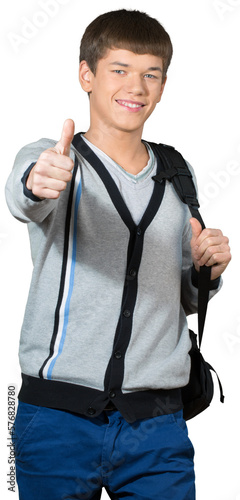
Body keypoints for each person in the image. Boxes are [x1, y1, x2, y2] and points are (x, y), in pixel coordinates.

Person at [5, 9, 231, 500]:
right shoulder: (54, 158)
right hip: (55, 421)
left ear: (164, 85)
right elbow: (25, 194)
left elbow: (185, 296)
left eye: (151, 73)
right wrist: (37, 185)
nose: (137, 86)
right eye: (120, 69)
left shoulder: (177, 171)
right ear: (86, 74)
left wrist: (206, 269)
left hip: (157, 425)